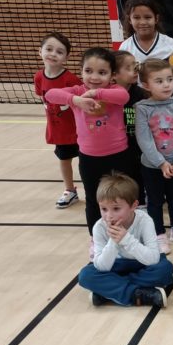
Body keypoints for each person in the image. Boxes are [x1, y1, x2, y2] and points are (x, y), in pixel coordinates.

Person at [45, 47, 137, 250]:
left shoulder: (114, 91)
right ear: (81, 71)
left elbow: (123, 97)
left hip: (119, 156)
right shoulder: (77, 92)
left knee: (124, 198)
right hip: (89, 159)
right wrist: (75, 100)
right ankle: (97, 241)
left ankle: (128, 236)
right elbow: (50, 94)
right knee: (94, 201)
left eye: (102, 72)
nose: (94, 77)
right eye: (88, 71)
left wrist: (96, 93)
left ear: (113, 75)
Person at [78, 173, 173, 308]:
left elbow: (153, 259)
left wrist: (126, 239)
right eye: (104, 209)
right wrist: (113, 241)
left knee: (165, 269)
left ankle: (111, 291)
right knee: (86, 275)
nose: (109, 215)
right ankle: (138, 294)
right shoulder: (99, 227)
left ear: (134, 205)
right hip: (115, 265)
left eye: (116, 209)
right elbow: (102, 267)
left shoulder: (145, 220)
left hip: (142, 264)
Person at [135, 58, 173, 252]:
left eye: (169, 79)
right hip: (152, 166)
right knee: (154, 201)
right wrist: (161, 163)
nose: (167, 84)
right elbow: (144, 139)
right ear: (146, 85)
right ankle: (159, 234)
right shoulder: (142, 109)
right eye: (159, 81)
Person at [33, 31, 82, 208]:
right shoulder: (38, 77)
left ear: (66, 58)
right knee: (64, 159)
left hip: (78, 130)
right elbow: (43, 98)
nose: (53, 54)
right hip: (59, 130)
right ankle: (70, 190)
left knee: (85, 161)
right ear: (40, 51)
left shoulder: (71, 79)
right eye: (49, 49)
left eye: (59, 52)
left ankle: (94, 189)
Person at [112, 50, 148, 207]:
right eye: (128, 68)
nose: (134, 70)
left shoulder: (141, 94)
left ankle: (140, 205)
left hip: (137, 147)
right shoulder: (107, 95)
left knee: (138, 177)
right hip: (116, 149)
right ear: (114, 74)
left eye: (135, 66)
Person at [118, 0, 173, 64]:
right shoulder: (125, 48)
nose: (142, 22)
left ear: (156, 19)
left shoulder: (171, 45)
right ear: (129, 20)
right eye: (136, 18)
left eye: (147, 17)